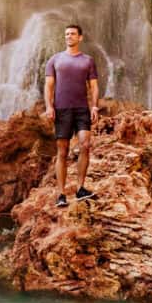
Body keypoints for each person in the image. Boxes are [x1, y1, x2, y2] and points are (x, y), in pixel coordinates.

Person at [44, 24, 99, 208]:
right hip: (62, 110)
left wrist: (95, 107)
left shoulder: (88, 60)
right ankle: (61, 194)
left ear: (80, 37)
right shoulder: (55, 60)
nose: (69, 36)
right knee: (62, 151)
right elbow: (49, 86)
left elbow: (94, 86)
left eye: (73, 34)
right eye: (67, 34)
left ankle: (80, 188)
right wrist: (49, 106)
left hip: (82, 109)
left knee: (85, 144)